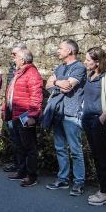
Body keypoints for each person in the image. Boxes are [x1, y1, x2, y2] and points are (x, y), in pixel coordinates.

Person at [45, 39, 86, 196]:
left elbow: (70, 85)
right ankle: (63, 179)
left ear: (69, 51)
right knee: (60, 148)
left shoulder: (79, 67)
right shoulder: (60, 67)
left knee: (75, 150)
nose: (57, 51)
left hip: (71, 113)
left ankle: (79, 182)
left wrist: (56, 82)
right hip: (57, 112)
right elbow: (48, 85)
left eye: (60, 48)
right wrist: (58, 84)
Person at [82, 47, 106, 206]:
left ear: (97, 62)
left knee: (102, 156)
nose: (85, 62)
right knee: (96, 155)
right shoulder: (90, 75)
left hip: (99, 121)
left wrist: (103, 118)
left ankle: (105, 193)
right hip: (88, 120)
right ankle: (102, 190)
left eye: (88, 60)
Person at [2, 50, 43, 186]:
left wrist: (32, 115)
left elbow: (36, 97)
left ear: (23, 60)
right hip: (15, 115)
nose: (14, 60)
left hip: (24, 116)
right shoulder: (19, 73)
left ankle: (31, 176)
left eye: (16, 58)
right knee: (19, 145)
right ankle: (22, 171)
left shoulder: (32, 74)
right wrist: (4, 109)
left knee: (29, 147)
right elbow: (10, 93)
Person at [3, 43, 27, 172]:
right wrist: (5, 107)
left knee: (22, 140)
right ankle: (17, 163)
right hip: (11, 108)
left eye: (14, 54)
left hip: (21, 110)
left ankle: (22, 166)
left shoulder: (27, 71)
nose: (12, 56)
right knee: (14, 138)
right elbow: (8, 89)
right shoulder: (13, 67)